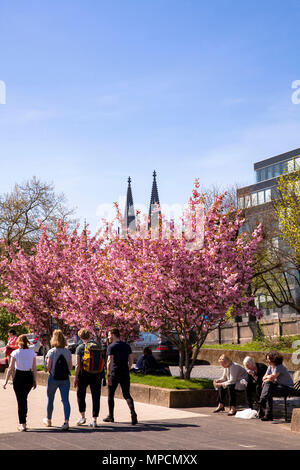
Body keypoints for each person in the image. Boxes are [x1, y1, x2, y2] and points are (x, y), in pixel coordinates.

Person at [2, 334, 37, 431]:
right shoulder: (31, 353)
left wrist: (5, 381)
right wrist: (34, 380)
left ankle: (22, 423)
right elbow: (34, 368)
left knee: (20, 400)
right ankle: (23, 421)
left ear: (18, 342)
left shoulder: (15, 353)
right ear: (27, 342)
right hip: (28, 376)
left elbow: (10, 368)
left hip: (19, 376)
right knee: (24, 399)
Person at [103, 328, 138, 425]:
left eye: (109, 335)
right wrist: (128, 367)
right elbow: (131, 359)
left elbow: (110, 361)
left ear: (114, 335)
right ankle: (133, 412)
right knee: (126, 394)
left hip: (115, 372)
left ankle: (111, 416)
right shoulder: (126, 345)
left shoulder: (111, 346)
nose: (108, 337)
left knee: (111, 394)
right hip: (125, 372)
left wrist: (108, 374)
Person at [74, 328, 105, 428]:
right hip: (96, 375)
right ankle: (94, 420)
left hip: (84, 375)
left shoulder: (80, 348)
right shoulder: (97, 346)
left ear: (80, 337)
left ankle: (82, 417)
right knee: (96, 397)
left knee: (80, 394)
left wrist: (76, 378)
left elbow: (78, 365)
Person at [43, 329, 72, 431]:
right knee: (65, 400)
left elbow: (48, 367)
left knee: (50, 400)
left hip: (53, 378)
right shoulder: (68, 352)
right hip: (65, 379)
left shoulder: (51, 351)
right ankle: (66, 421)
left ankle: (49, 419)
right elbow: (70, 366)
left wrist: (46, 368)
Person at [259, 351, 294, 421]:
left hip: (287, 388)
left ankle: (263, 401)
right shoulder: (270, 367)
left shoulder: (279, 367)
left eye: (268, 359)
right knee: (268, 389)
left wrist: (267, 379)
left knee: (268, 386)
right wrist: (267, 379)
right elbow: (263, 378)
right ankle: (267, 414)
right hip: (279, 386)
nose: (267, 361)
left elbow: (272, 377)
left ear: (273, 359)